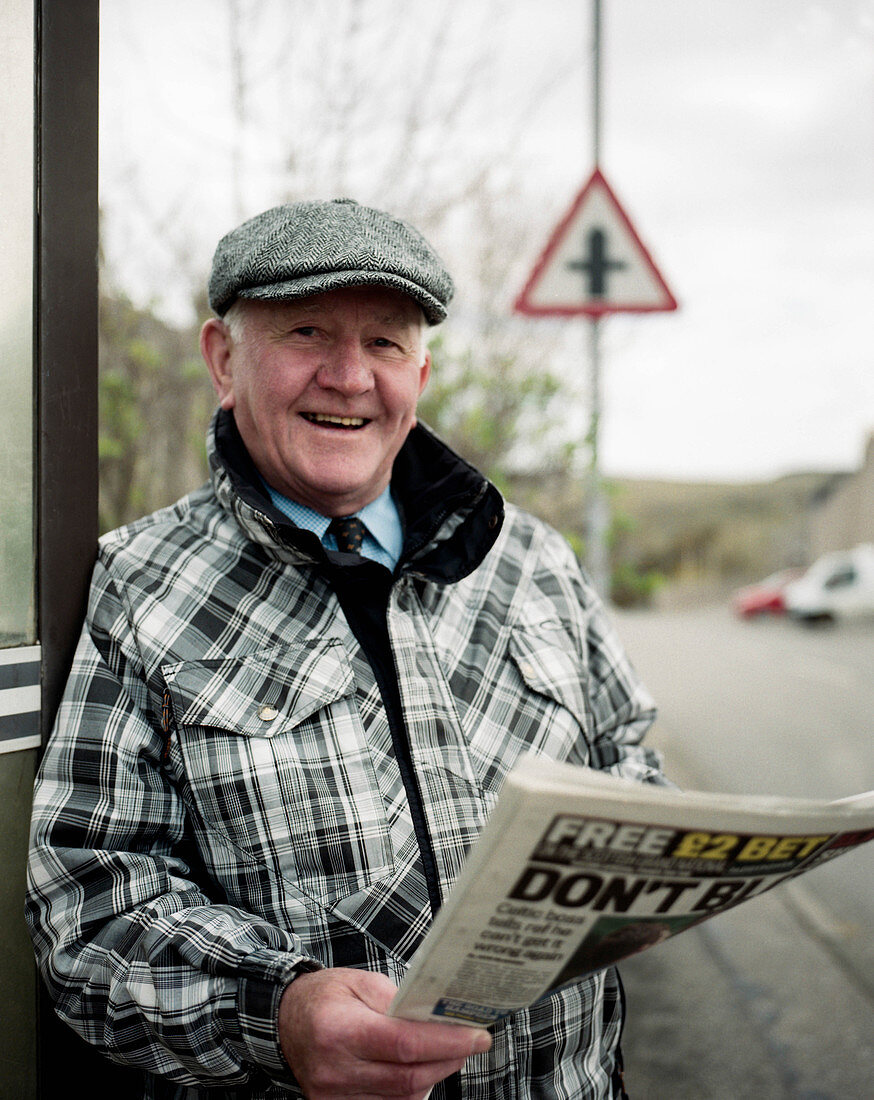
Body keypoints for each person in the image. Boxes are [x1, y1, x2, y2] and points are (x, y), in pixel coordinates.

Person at [26, 198, 666, 1100]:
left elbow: (633, 765)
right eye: (307, 331)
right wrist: (275, 1013)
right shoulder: (141, 587)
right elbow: (88, 913)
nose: (349, 376)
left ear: (421, 372)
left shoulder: (533, 560)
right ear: (222, 359)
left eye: (386, 344)